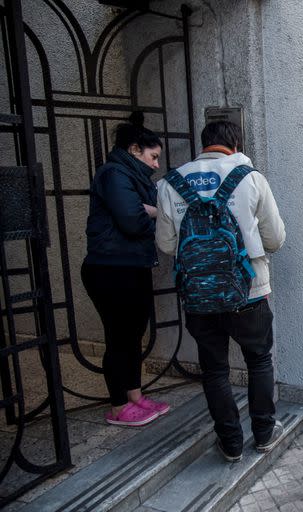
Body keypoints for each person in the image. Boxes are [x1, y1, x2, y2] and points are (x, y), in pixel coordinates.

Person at [155, 121, 286, 462]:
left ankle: (229, 444)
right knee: (258, 360)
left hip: (198, 295)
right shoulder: (250, 177)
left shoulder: (171, 183)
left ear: (203, 145)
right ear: (235, 143)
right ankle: (264, 434)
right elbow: (275, 239)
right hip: (250, 290)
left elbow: (167, 245)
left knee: (214, 370)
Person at [82, 112, 170, 427]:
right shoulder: (114, 174)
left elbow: (148, 212)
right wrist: (152, 211)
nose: (157, 164)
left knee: (133, 335)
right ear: (135, 149)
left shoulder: (134, 179)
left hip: (132, 266)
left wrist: (150, 209)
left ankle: (135, 395)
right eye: (154, 157)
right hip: (109, 269)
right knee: (119, 337)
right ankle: (118, 406)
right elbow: (132, 220)